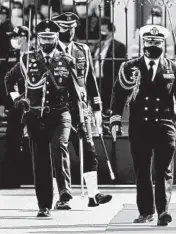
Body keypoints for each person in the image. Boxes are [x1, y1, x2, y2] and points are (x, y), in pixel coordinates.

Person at [4, 20, 84, 217]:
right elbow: (9, 80)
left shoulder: (66, 60)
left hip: (60, 113)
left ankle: (65, 190)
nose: (46, 41)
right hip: (35, 115)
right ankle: (44, 205)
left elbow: (76, 94)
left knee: (60, 144)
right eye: (43, 38)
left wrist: (81, 121)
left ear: (57, 38)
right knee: (40, 161)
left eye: (50, 38)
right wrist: (18, 99)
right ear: (38, 39)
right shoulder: (26, 59)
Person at [110, 25, 176, 226]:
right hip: (139, 126)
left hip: (165, 125)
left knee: (163, 170)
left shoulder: (173, 68)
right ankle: (145, 211)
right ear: (144, 44)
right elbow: (118, 95)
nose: (154, 45)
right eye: (150, 42)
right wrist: (115, 120)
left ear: (163, 44)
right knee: (142, 170)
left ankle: (163, 211)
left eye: (158, 42)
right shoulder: (130, 67)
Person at [52, 12, 112, 209]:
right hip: (57, 109)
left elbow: (90, 80)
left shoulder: (82, 49)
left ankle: (93, 194)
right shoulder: (49, 51)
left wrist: (96, 108)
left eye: (72, 28)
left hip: (79, 107)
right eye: (64, 28)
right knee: (60, 152)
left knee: (88, 150)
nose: (69, 31)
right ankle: (61, 195)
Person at [0, 26, 29, 188]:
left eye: (16, 37)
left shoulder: (33, 55)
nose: (13, 40)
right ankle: (11, 178)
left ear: (24, 37)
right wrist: (5, 102)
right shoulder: (11, 55)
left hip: (32, 103)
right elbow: (5, 80)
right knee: (12, 139)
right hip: (15, 103)